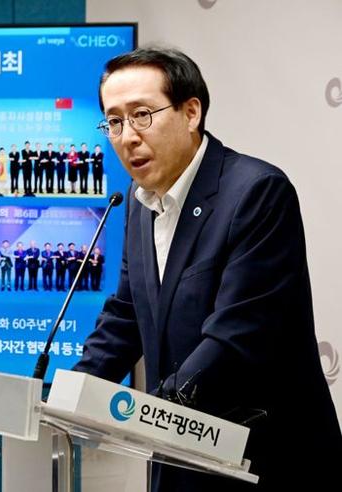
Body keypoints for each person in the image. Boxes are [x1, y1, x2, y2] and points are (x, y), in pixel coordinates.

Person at [72, 47, 342, 491]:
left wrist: (150, 414)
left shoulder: (256, 193)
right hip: (181, 456)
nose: (126, 136)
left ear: (191, 112)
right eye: (114, 121)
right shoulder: (139, 204)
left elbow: (237, 336)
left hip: (264, 460)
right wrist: (73, 393)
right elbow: (127, 314)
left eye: (141, 115)